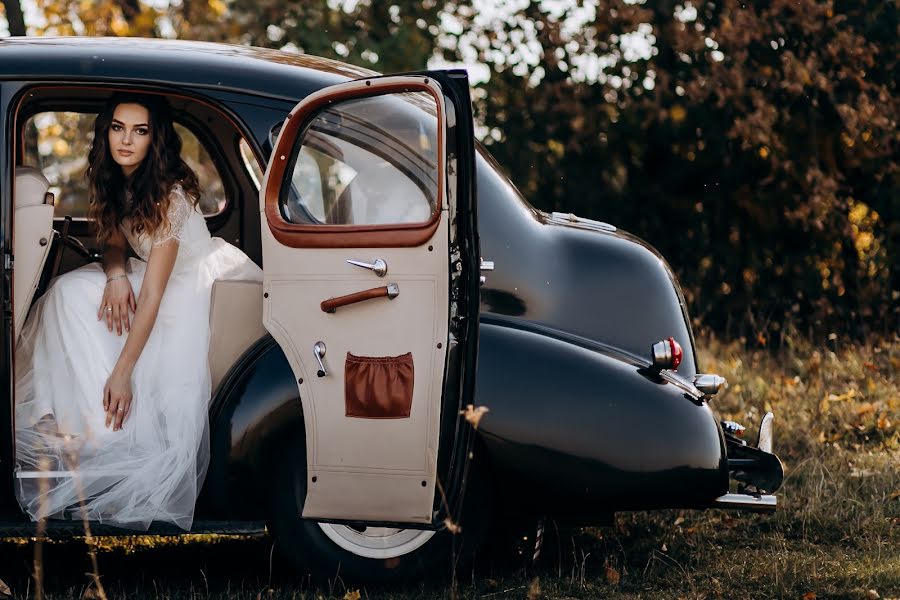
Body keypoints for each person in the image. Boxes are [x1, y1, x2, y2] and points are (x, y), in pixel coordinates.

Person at [14, 93, 263, 530]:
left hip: (184, 285)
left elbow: (154, 295)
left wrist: (124, 371)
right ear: (106, 132)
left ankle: (108, 433)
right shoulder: (112, 177)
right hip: (143, 274)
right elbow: (112, 241)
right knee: (66, 292)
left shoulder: (167, 194)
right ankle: (67, 423)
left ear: (155, 140)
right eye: (118, 128)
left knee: (91, 315)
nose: (126, 140)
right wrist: (113, 276)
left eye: (140, 131)